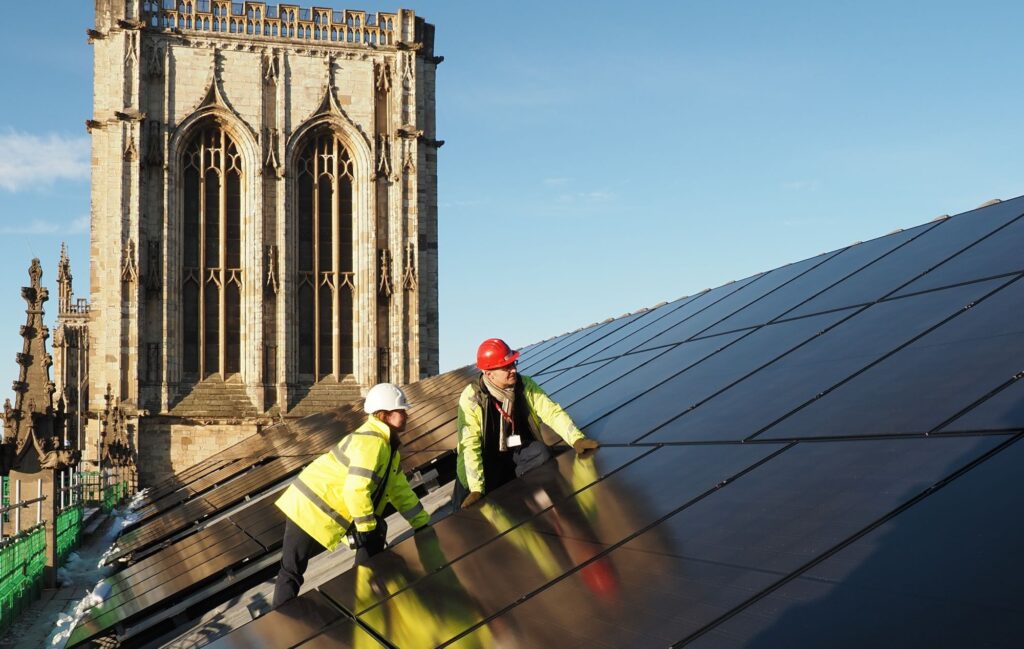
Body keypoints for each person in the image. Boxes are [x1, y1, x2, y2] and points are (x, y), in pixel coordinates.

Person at [272, 382, 430, 607]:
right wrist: (366, 528)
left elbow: (399, 490)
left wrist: (422, 523)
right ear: (384, 414)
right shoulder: (372, 443)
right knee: (292, 570)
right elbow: (356, 489)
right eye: (401, 411)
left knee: (374, 531)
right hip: (308, 508)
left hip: (314, 505)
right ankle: (283, 619)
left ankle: (365, 593)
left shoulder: (387, 445)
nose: (406, 415)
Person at [455, 338, 600, 509]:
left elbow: (551, 412)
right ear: (489, 373)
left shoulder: (524, 385)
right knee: (471, 511)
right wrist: (476, 489)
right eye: (506, 366)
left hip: (515, 452)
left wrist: (576, 439)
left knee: (540, 452)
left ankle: (532, 498)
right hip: (485, 462)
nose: (514, 370)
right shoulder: (472, 398)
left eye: (513, 363)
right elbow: (470, 445)